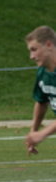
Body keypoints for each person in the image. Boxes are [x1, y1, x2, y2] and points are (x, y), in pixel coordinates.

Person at [24, 25, 56, 155]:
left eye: (34, 49)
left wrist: (43, 134)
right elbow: (41, 101)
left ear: (48, 45)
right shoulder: (42, 73)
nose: (31, 56)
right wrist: (34, 132)